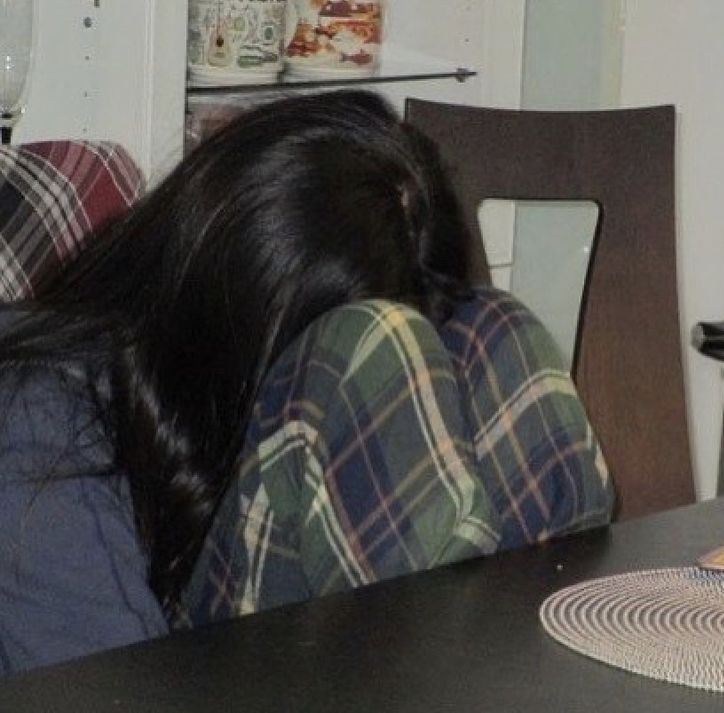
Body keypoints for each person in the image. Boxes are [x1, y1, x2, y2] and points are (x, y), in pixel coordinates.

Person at [0, 90, 613, 674]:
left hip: (412, 665)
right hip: (173, 683)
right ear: (236, 317)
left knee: (492, 329)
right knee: (376, 344)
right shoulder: (38, 420)